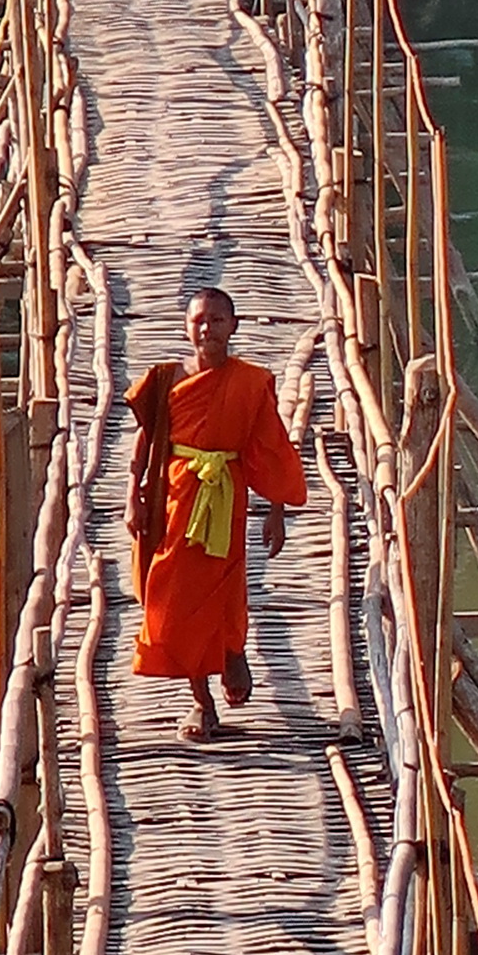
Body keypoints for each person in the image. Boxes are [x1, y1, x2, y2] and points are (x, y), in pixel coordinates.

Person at [123, 287, 307, 740]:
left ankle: (228, 655)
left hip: (226, 494)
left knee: (223, 589)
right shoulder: (165, 379)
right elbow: (146, 441)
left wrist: (276, 510)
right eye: (199, 320)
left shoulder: (249, 383)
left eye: (217, 320)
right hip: (175, 497)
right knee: (170, 597)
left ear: (234, 326)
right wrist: (134, 496)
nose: (207, 329)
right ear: (187, 327)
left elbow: (270, 447)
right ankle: (202, 696)